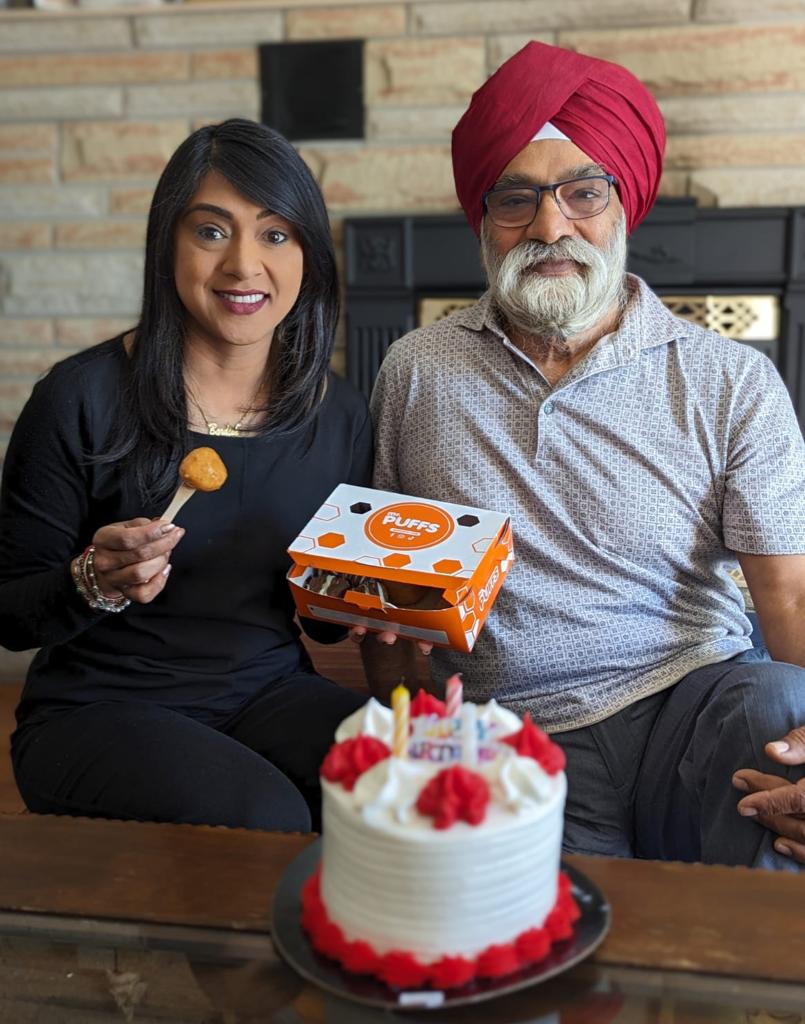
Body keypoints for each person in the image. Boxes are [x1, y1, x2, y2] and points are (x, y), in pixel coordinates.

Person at [359, 42, 805, 870]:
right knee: (549, 955)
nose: (550, 225)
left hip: (693, 705)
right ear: (483, 220)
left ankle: (759, 986)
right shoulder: (416, 369)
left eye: (582, 192)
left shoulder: (728, 378)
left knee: (781, 705)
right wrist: (399, 704)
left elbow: (789, 597)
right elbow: (390, 591)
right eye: (516, 198)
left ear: (622, 206)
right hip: (512, 729)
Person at [0, 119, 371, 833]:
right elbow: (10, 611)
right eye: (210, 231)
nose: (242, 266)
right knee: (269, 822)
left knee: (408, 780)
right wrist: (93, 582)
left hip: (264, 691)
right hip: (100, 708)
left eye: (275, 234)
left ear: (308, 255)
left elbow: (323, 630)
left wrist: (373, 602)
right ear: (167, 242)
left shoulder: (338, 413)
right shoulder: (81, 397)